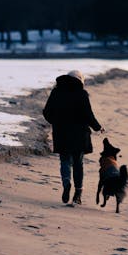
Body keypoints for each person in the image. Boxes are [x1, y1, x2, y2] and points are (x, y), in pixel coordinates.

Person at [42, 70, 104, 204]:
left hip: (61, 133)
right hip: (79, 134)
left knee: (64, 161)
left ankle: (66, 184)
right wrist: (98, 127)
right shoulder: (81, 94)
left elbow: (46, 112)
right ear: (80, 80)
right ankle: (77, 194)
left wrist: (56, 122)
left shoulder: (56, 92)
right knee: (78, 164)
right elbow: (88, 115)